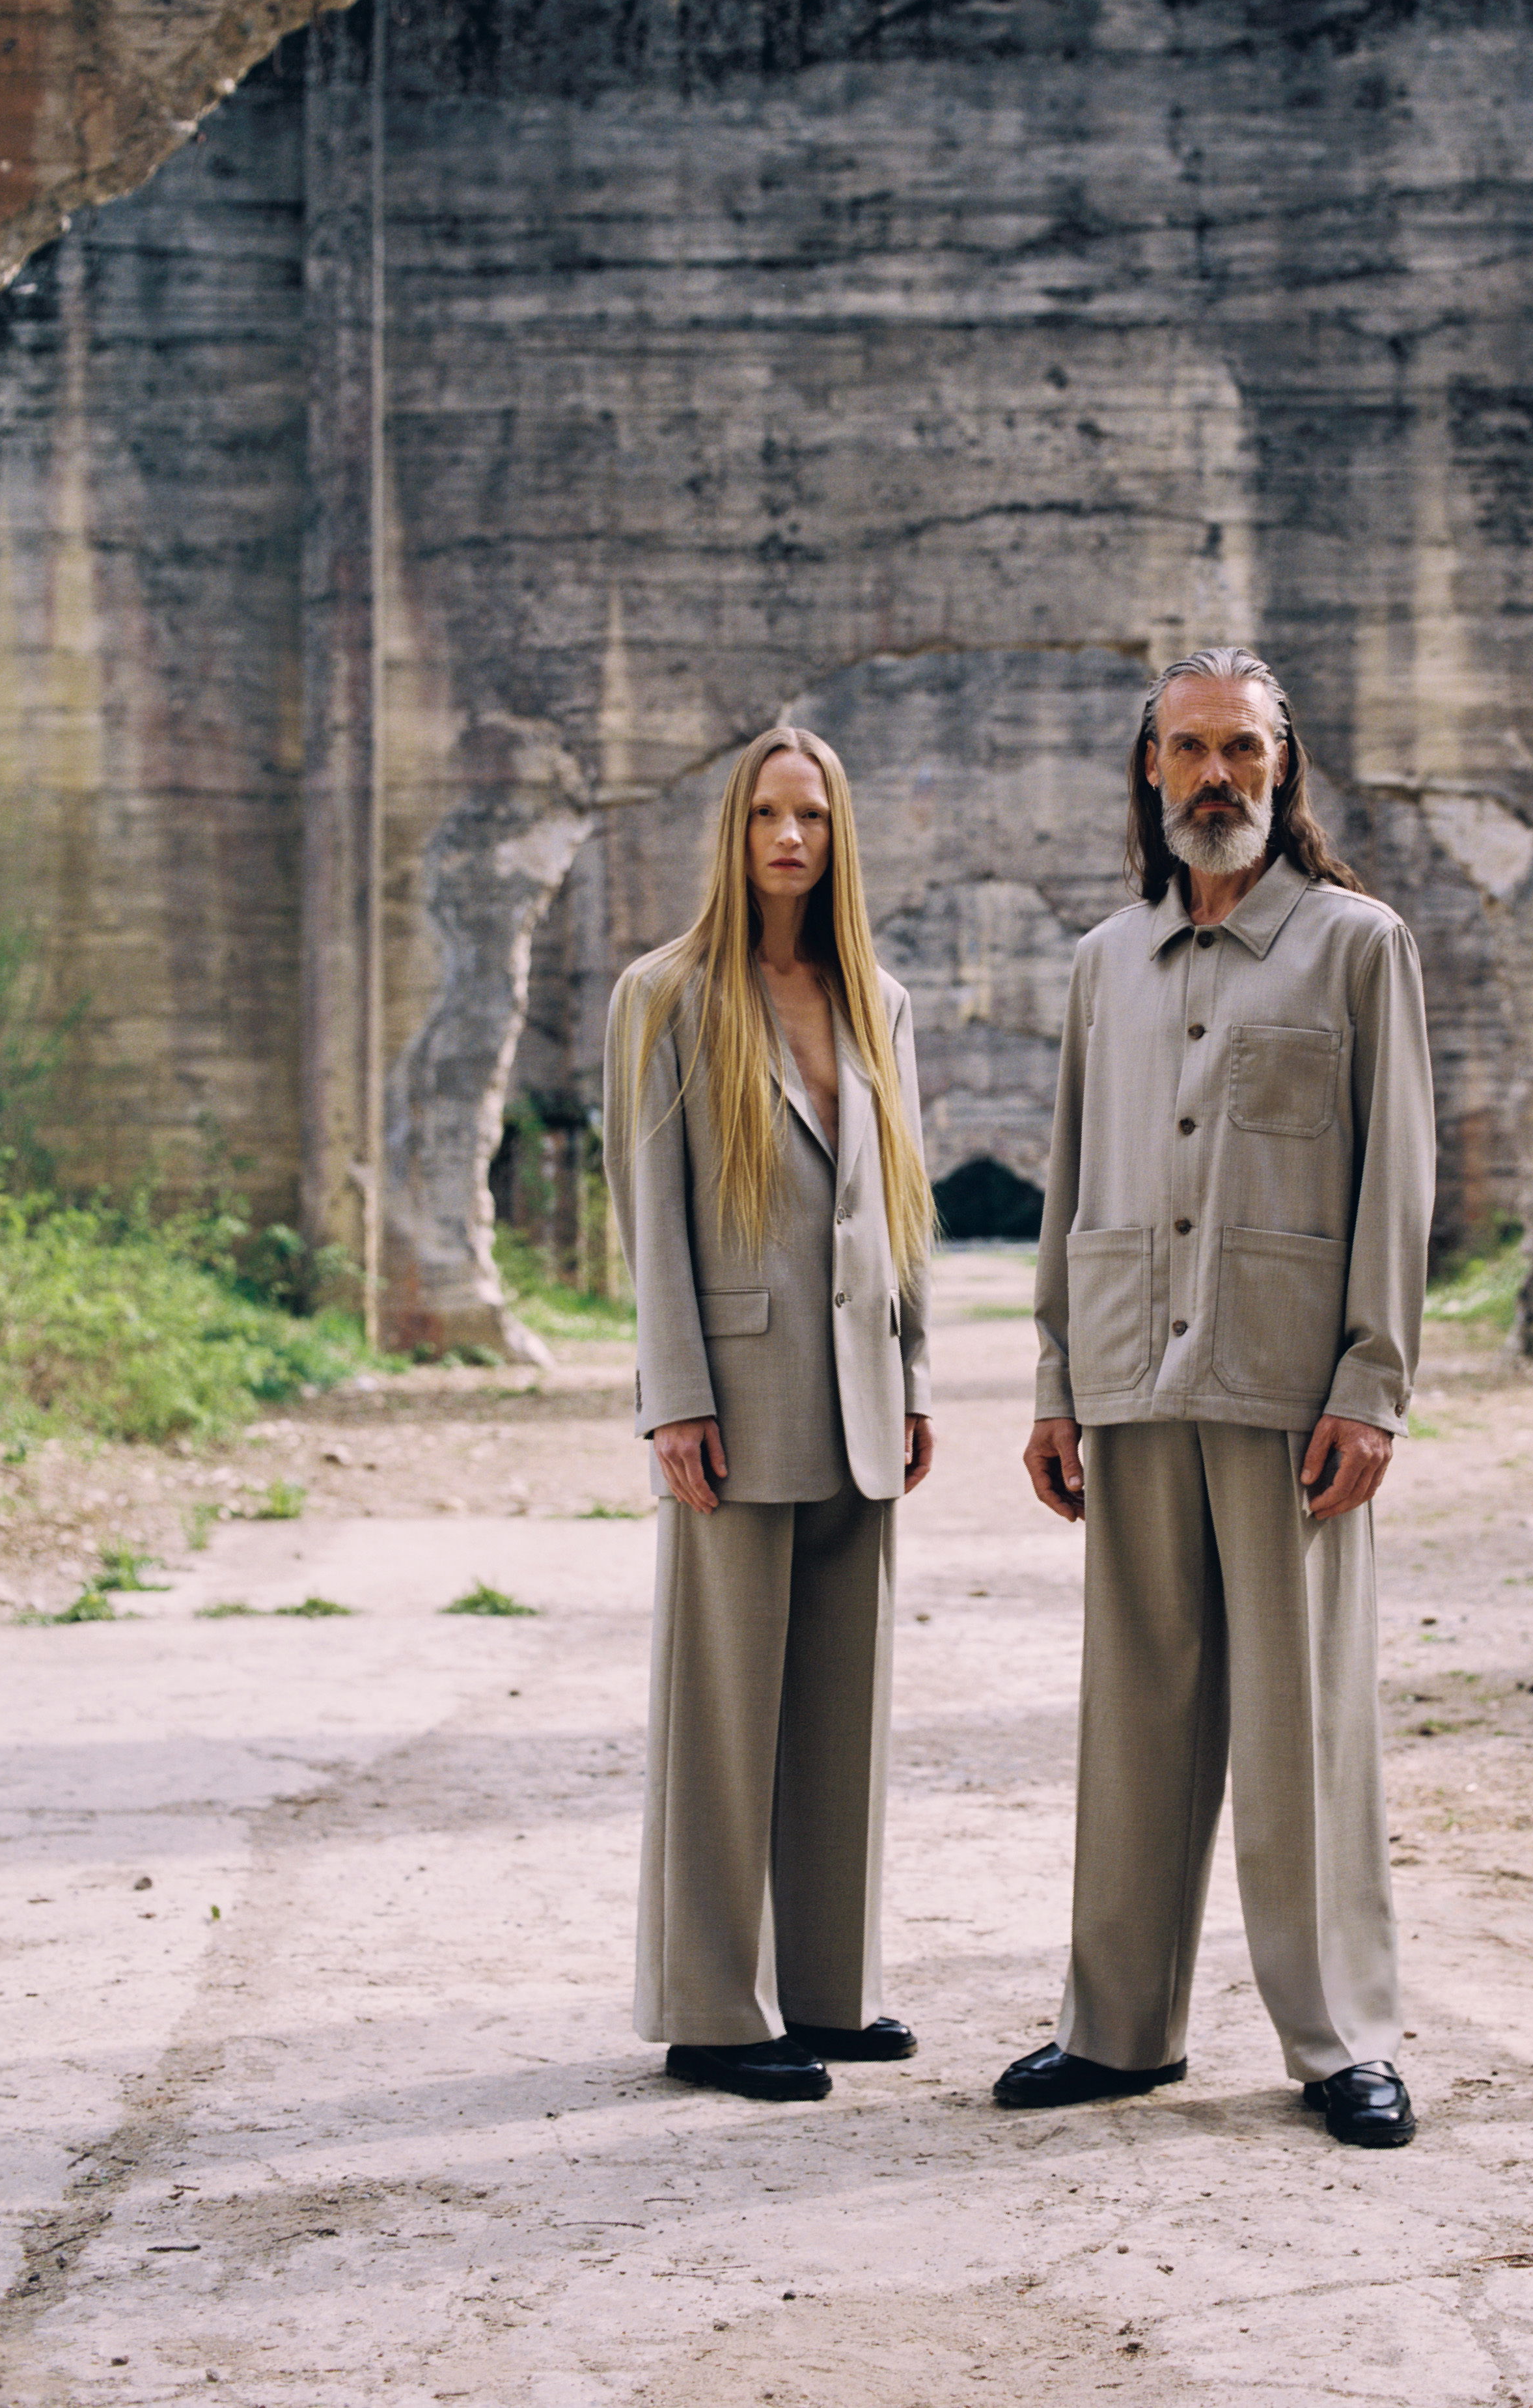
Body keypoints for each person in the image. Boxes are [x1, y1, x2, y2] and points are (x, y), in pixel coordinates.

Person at [993, 645, 1434, 2148]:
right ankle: (1116, 2031)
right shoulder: (1101, 962)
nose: (1213, 777)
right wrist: (1054, 1377)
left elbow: (1396, 1183)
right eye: (1185, 749)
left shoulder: (1357, 946)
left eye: (1240, 749)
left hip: (1286, 1387)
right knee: (1134, 1710)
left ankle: (1340, 2038)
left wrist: (1371, 1384)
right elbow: (1068, 1184)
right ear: (1146, 768)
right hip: (1125, 1376)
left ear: (1282, 764)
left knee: (1303, 1724)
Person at [603, 725, 934, 2103]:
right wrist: (672, 1396)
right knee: (725, 1712)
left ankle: (827, 1991)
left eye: (810, 817)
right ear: (731, 834)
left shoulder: (877, 1002)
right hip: (731, 1402)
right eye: (765, 817)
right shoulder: (666, 993)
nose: (789, 839)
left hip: (859, 1400)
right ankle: (710, 2009)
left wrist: (913, 1376)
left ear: (838, 836)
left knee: (840, 1708)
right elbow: (650, 1214)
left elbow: (894, 1217)